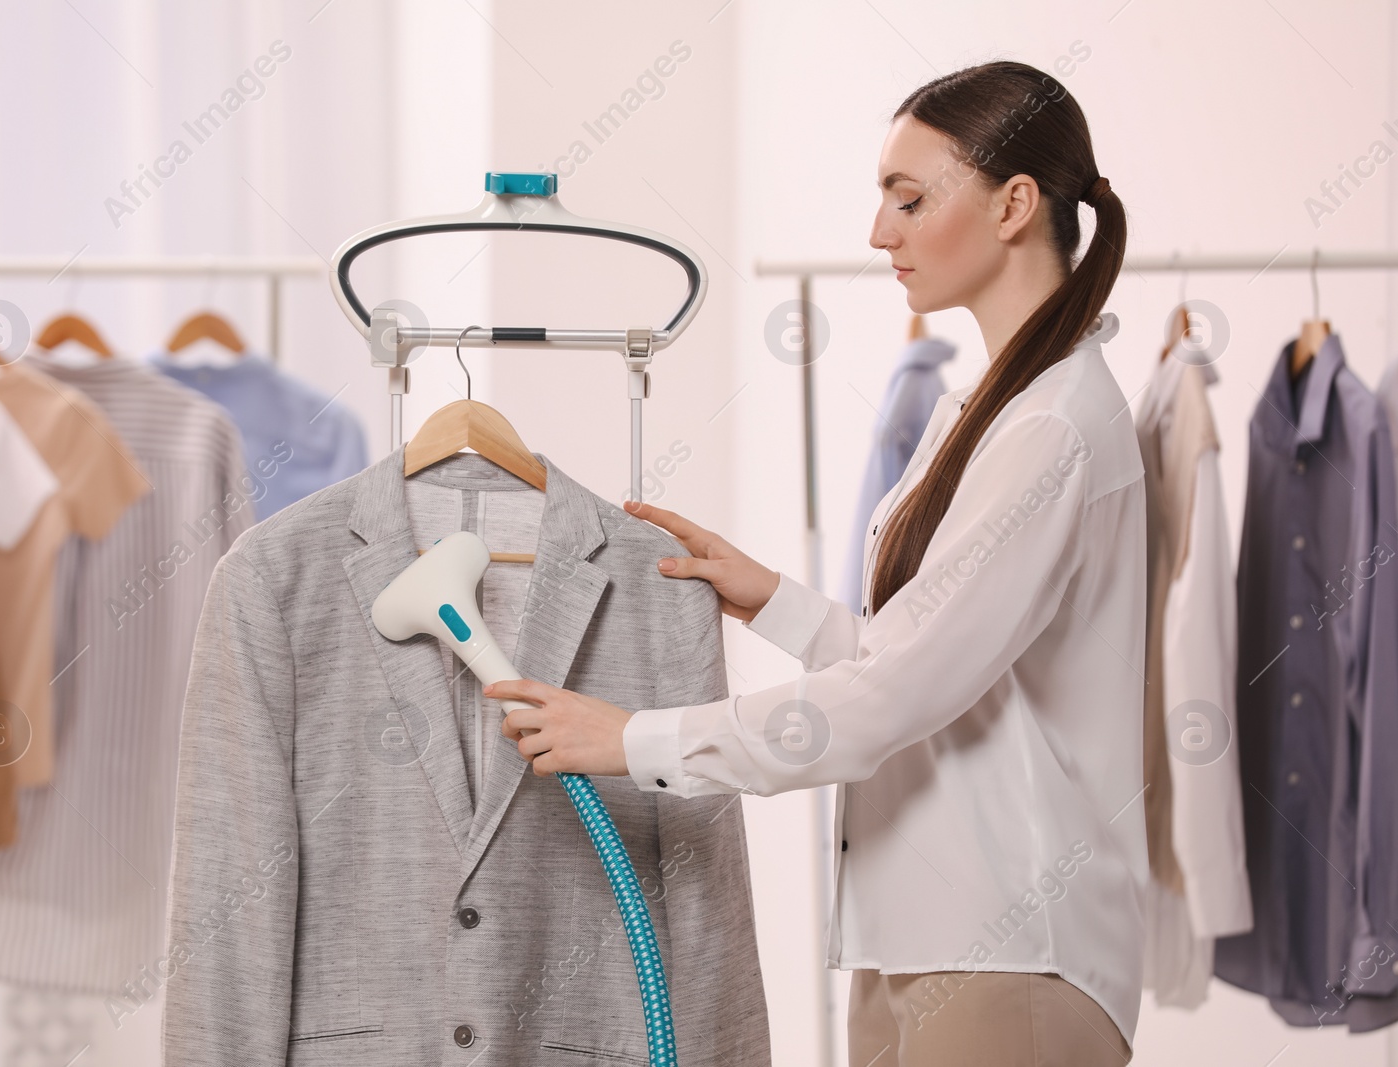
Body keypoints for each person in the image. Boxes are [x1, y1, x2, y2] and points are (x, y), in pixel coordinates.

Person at [487, 59, 1146, 1066]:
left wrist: (636, 738)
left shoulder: (1049, 429)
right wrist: (773, 602)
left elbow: (892, 695)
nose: (880, 233)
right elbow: (937, 664)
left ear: (1015, 204)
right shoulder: (988, 410)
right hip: (926, 942)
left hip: (1010, 957)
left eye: (909, 199)